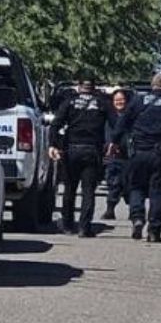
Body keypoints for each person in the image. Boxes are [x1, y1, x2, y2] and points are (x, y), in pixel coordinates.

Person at [112, 72, 161, 242]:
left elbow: (122, 123)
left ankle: (137, 218)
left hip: (139, 152)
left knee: (136, 187)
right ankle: (154, 230)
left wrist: (114, 141)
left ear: (152, 85)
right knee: (158, 191)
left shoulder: (138, 101)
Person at [48, 78, 108, 237]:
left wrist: (53, 145)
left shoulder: (70, 102)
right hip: (92, 150)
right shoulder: (102, 103)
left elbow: (56, 124)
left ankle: (68, 225)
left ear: (79, 87)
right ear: (94, 88)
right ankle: (84, 227)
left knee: (70, 189)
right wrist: (112, 143)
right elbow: (115, 123)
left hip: (72, 149)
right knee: (88, 190)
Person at [103, 88, 130, 220]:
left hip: (129, 156)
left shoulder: (132, 117)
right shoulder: (108, 117)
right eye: (116, 100)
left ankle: (134, 211)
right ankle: (110, 209)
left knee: (129, 184)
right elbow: (106, 135)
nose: (119, 102)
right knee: (113, 182)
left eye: (122, 99)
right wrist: (110, 146)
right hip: (113, 155)